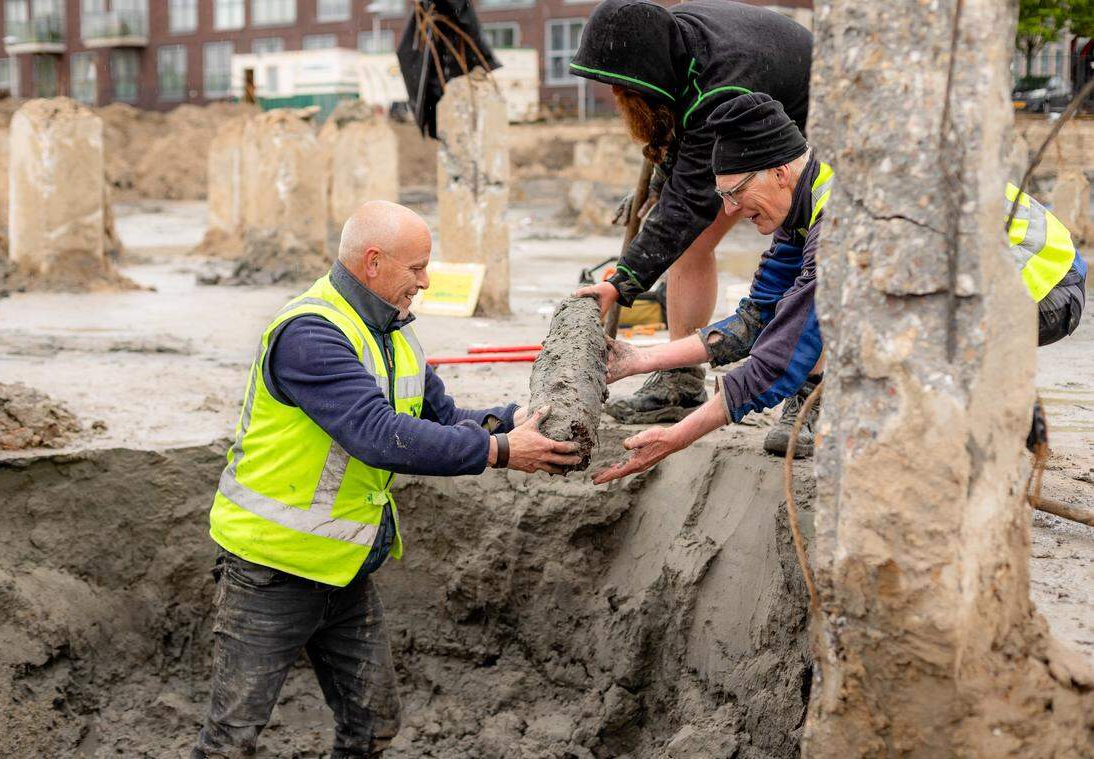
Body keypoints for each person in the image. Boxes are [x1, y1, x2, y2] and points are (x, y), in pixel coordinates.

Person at [191, 201, 581, 757]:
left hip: (344, 567)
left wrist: (507, 421)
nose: (426, 282)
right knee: (230, 739)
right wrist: (499, 452)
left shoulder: (395, 333)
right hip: (271, 571)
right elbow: (375, 433)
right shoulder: (310, 334)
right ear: (372, 262)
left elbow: (441, 419)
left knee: (373, 725)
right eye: (417, 268)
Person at [593, 93, 1085, 484]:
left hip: (1042, 288)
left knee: (863, 331)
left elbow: (779, 360)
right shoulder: (804, 202)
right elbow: (755, 321)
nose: (729, 211)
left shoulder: (843, 219)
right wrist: (640, 360)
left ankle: (991, 426)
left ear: (779, 172)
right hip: (982, 288)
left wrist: (678, 436)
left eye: (734, 194)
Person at [571, 0, 813, 429]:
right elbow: (682, 128)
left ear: (646, 77)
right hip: (748, 98)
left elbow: (688, 205)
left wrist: (622, 281)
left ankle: (812, 393)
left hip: (809, 118)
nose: (615, 98)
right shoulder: (674, 45)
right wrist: (663, 178)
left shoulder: (719, 87)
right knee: (691, 243)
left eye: (623, 91)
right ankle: (680, 381)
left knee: (807, 256)